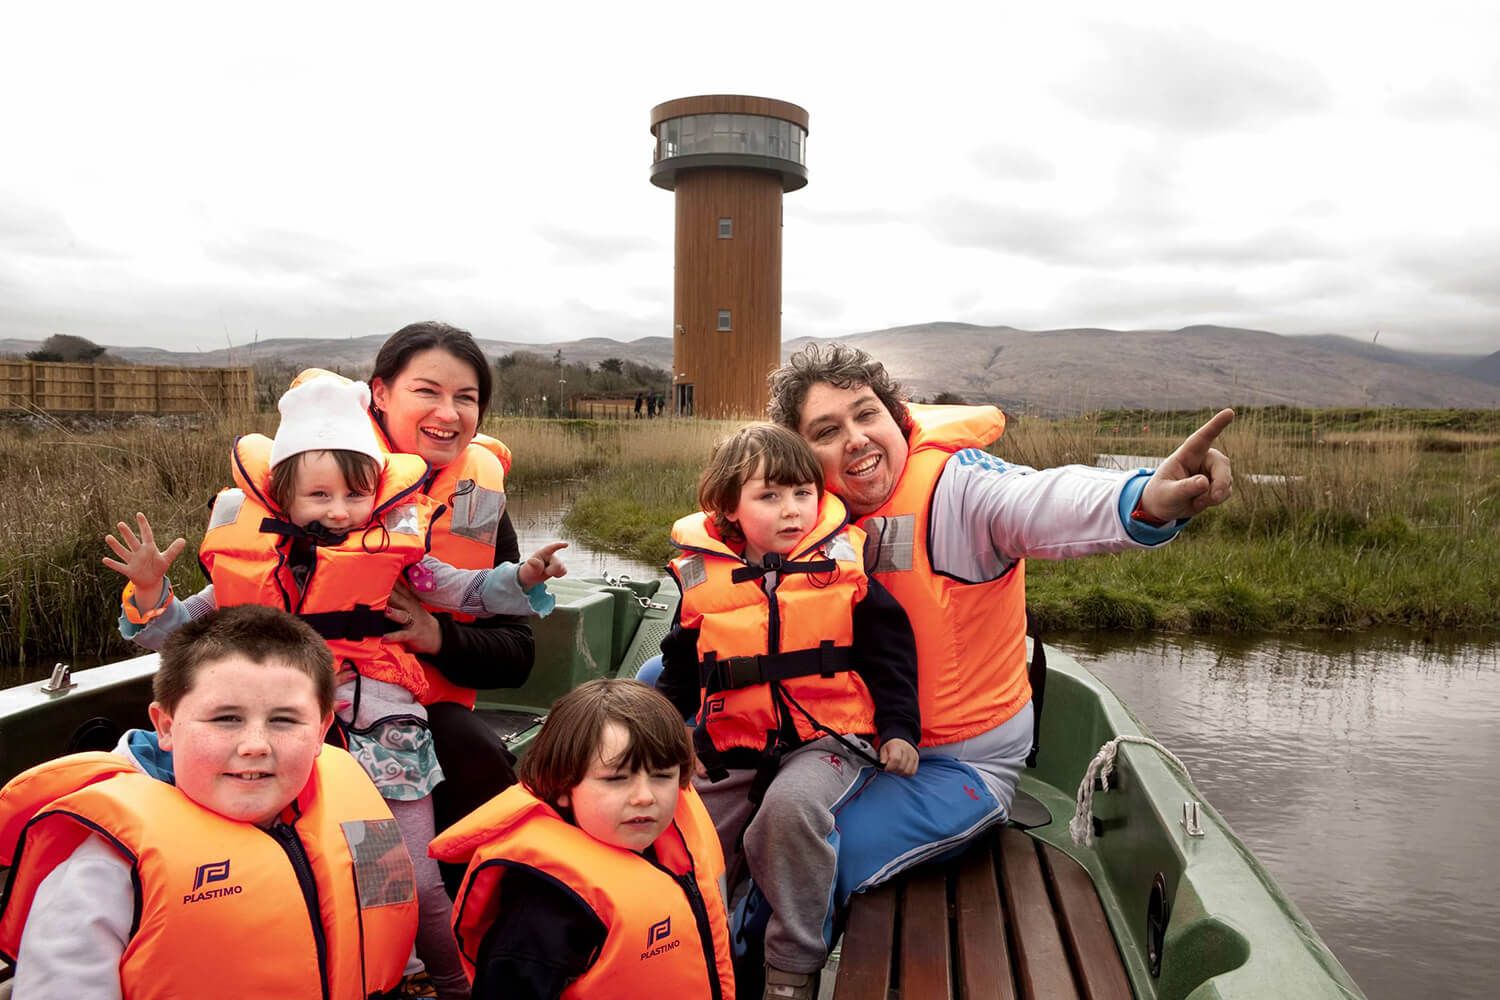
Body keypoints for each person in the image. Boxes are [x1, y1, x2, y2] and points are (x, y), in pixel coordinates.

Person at [103, 372, 567, 1000]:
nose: (340, 510)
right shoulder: (248, 565)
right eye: (319, 494)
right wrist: (154, 593)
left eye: (355, 493)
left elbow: (469, 591)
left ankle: (453, 985)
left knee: (407, 877)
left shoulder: (397, 553)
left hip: (382, 736)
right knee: (286, 867)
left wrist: (523, 575)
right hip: (280, 735)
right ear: (282, 497)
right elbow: (172, 633)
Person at [766, 343, 1234, 903]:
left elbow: (1039, 498)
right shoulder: (801, 515)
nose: (856, 438)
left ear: (896, 416)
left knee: (800, 865)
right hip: (850, 749)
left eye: (867, 414)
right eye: (826, 431)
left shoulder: (961, 489)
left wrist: (1145, 498)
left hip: (957, 768)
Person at [0, 605, 419, 1000]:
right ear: (166, 726)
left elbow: (386, 924)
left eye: (284, 720)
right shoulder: (103, 869)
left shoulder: (351, 796)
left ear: (322, 730)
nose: (255, 745)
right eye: (225, 718)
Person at [653, 423, 919, 999]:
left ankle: (792, 967)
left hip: (829, 740)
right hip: (734, 743)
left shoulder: (844, 570)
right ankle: (701, 951)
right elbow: (680, 666)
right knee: (682, 826)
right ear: (729, 506)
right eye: (768, 496)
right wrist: (674, 736)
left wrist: (900, 730)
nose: (792, 509)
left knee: (789, 811)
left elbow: (890, 655)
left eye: (802, 493)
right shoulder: (705, 579)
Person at [429, 678, 735, 1000]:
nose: (645, 796)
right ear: (562, 787)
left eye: (661, 776)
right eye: (616, 779)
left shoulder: (677, 847)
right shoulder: (544, 906)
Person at [366, 322, 536, 866]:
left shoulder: (478, 503)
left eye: (466, 398)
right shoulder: (317, 481)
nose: (449, 414)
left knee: (473, 749)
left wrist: (433, 634)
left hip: (426, 715)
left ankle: (475, 918)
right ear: (380, 393)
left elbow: (517, 653)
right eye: (427, 392)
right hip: (314, 712)